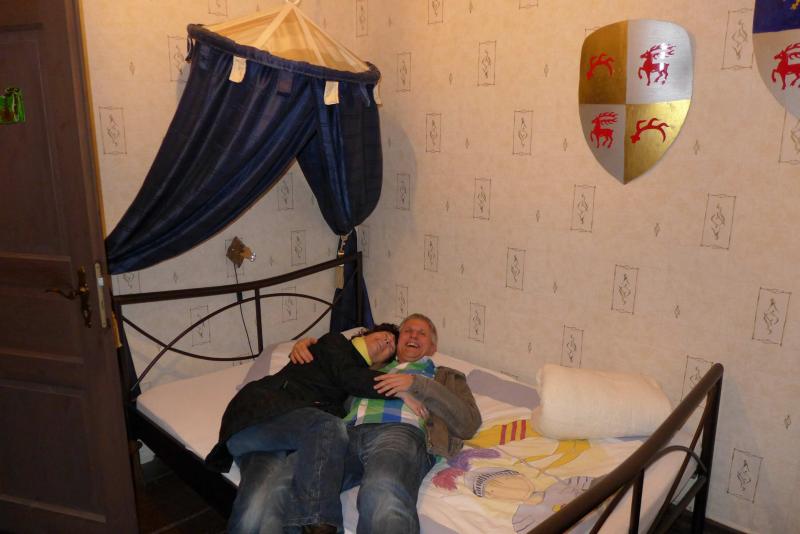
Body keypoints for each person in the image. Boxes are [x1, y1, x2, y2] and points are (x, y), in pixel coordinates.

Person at [290, 313, 482, 533]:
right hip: (344, 433)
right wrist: (309, 348)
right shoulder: (367, 368)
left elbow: (468, 422)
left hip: (398, 432)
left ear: (432, 348)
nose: (413, 335)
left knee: (382, 490)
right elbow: (326, 372)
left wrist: (416, 384)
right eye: (407, 331)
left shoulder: (444, 376)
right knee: (290, 478)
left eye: (422, 333)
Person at [205, 323, 403, 534]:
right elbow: (349, 377)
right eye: (385, 335)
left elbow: (353, 384)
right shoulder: (335, 343)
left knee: (262, 502)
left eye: (391, 346)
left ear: (382, 364)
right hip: (259, 411)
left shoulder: (355, 384)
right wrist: (404, 387)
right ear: (366, 333)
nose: (387, 341)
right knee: (326, 425)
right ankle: (319, 519)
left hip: (275, 439)